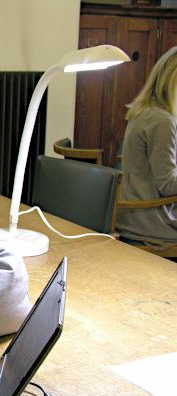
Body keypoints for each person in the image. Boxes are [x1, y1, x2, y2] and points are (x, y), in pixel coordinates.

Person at [115, 46, 177, 248]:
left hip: (131, 214)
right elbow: (167, 185)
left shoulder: (145, 110)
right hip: (148, 221)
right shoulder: (163, 121)